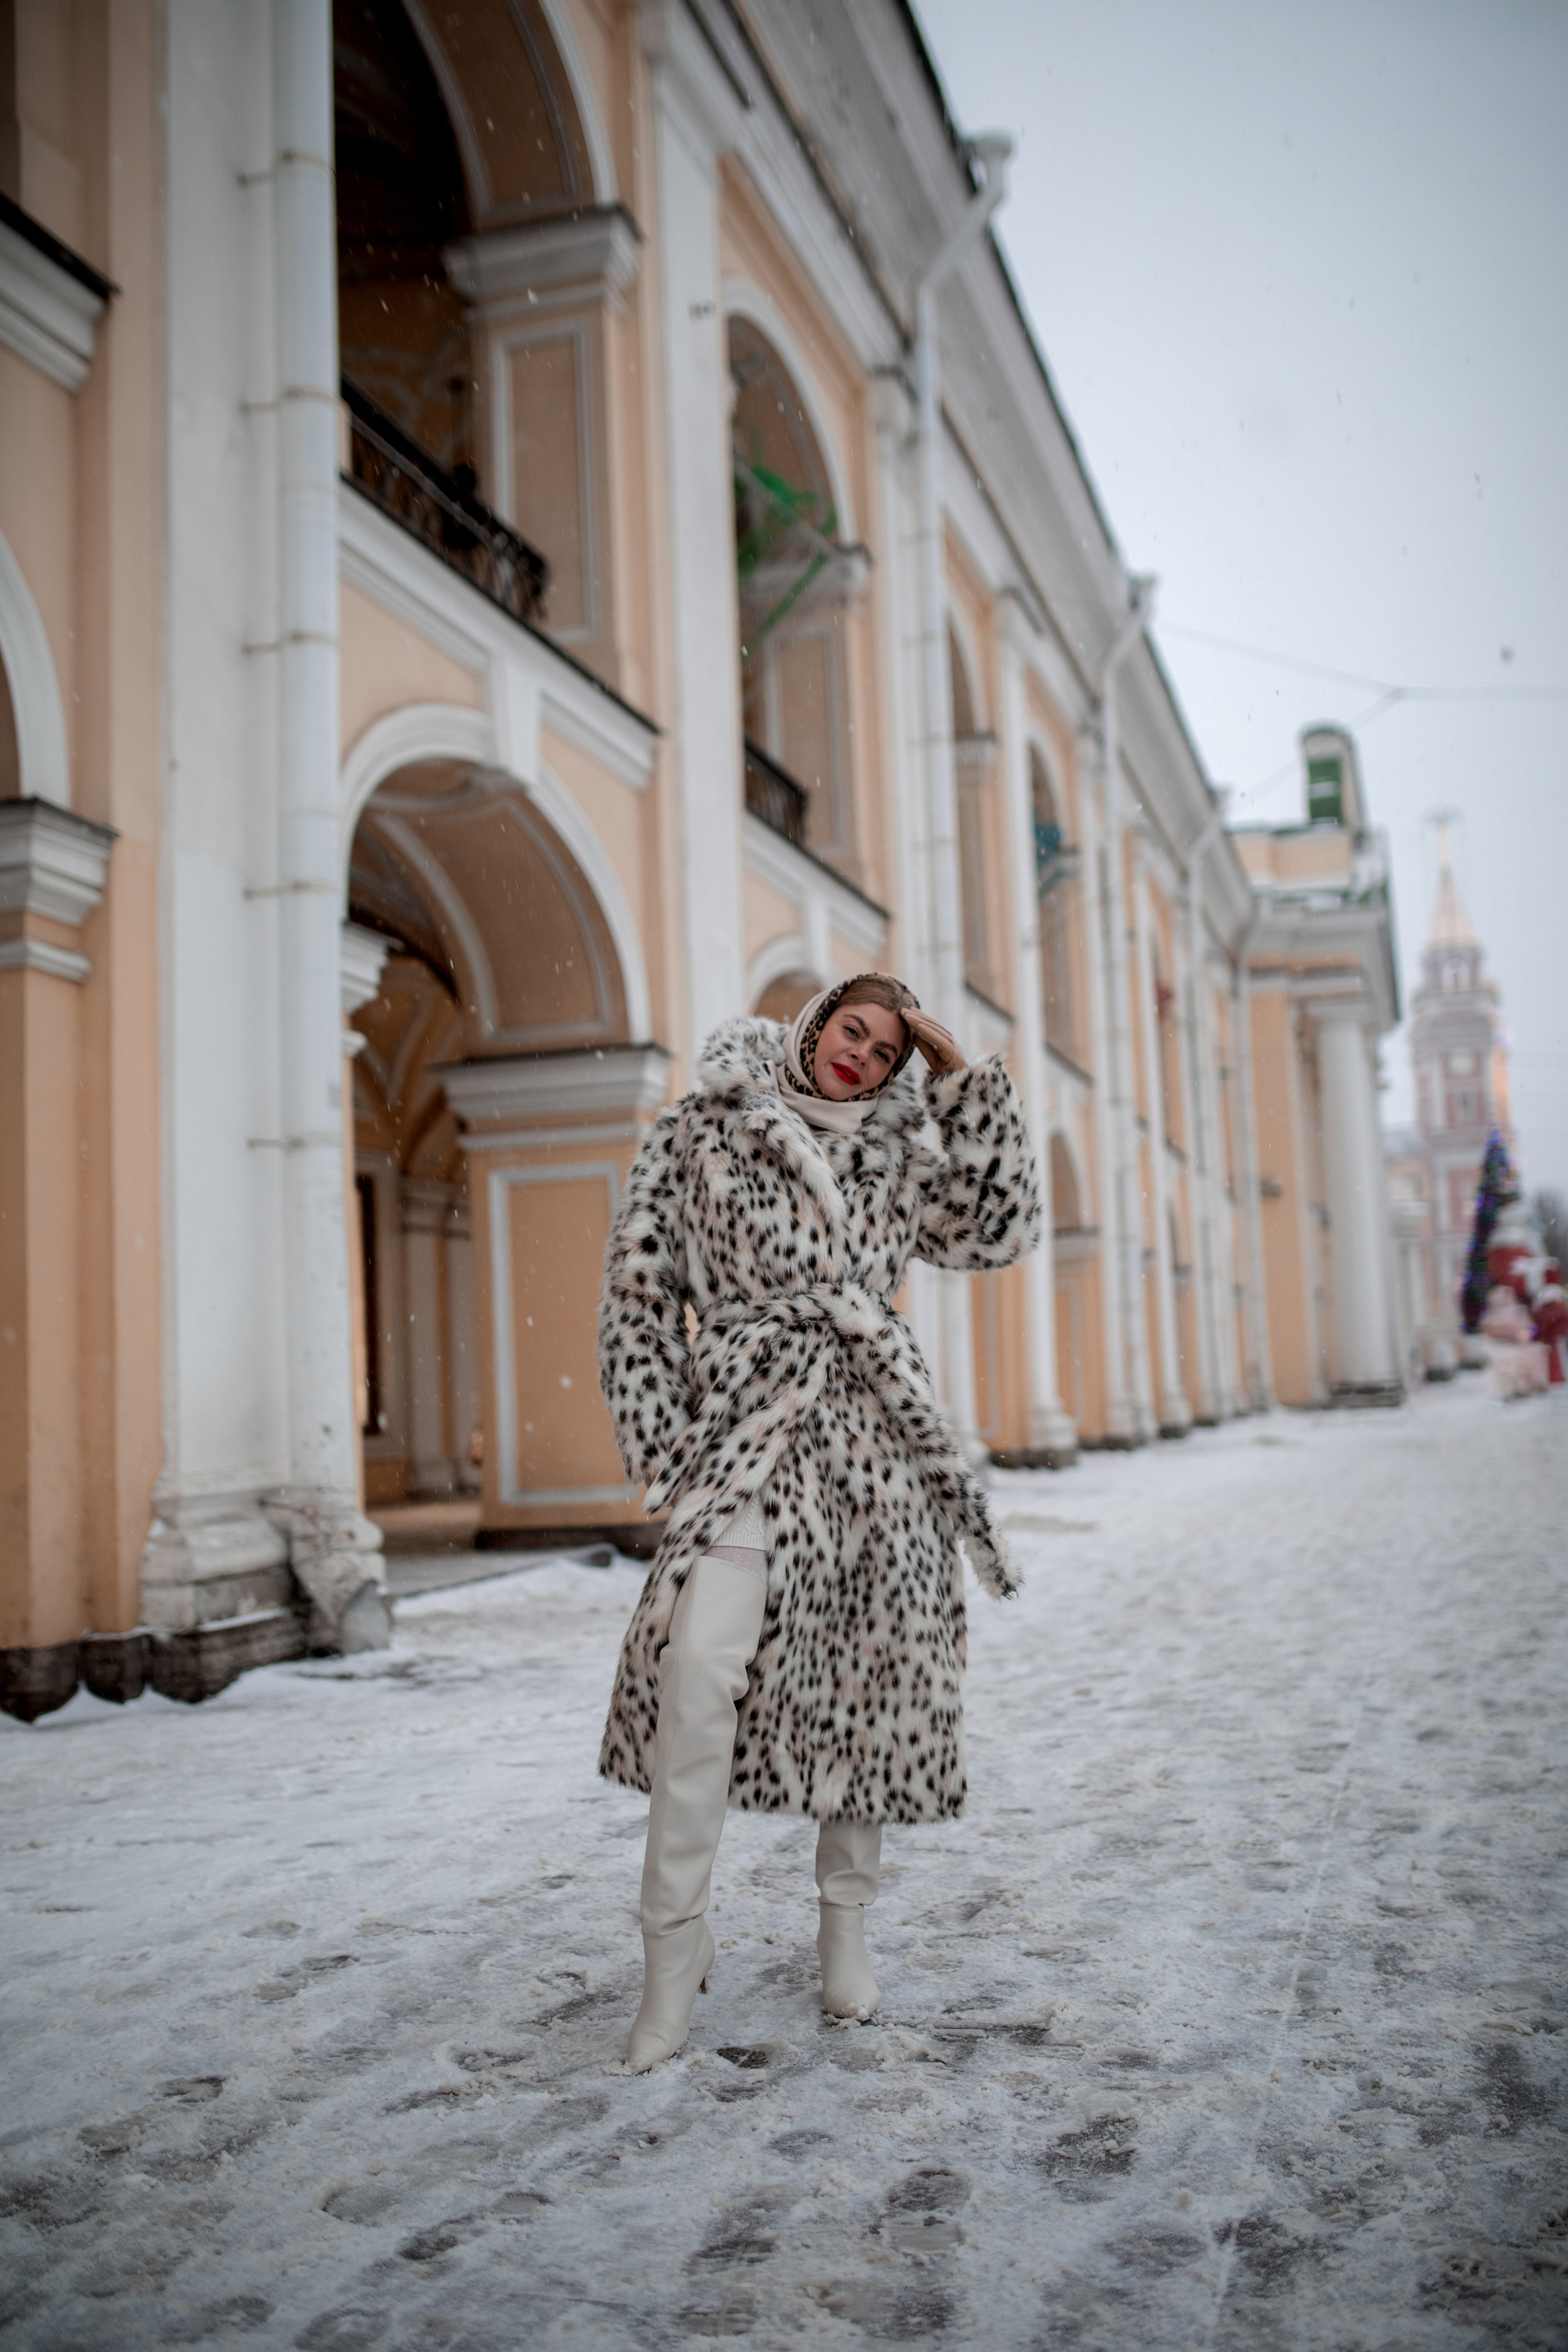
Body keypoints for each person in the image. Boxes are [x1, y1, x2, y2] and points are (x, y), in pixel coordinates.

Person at [596, 974, 1041, 2071]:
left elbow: (1001, 1226)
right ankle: (672, 1951)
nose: (864, 1058)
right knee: (701, 1671)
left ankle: (845, 1923)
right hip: (751, 1425)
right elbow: (640, 1292)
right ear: (812, 1022)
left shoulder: (898, 1153)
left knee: (868, 1684)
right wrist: (664, 1439)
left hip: (873, 1441)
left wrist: (959, 1073)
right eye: (856, 1031)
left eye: (889, 1051)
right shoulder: (704, 1130)